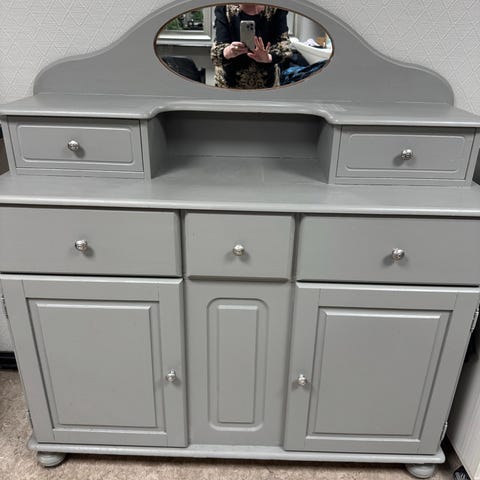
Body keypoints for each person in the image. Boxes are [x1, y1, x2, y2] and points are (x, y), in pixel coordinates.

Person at [210, 4, 292, 89]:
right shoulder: (224, 7)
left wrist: (268, 57)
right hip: (230, 83)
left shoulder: (276, 8)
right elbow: (217, 51)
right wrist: (228, 51)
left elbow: (284, 47)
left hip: (267, 84)